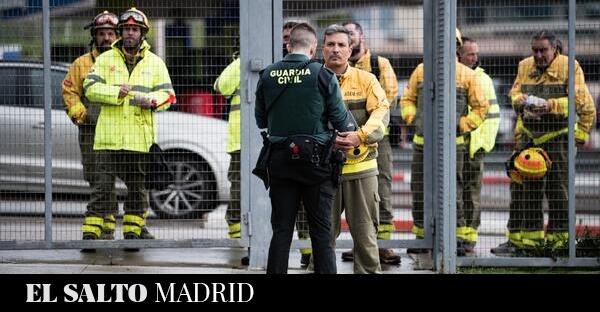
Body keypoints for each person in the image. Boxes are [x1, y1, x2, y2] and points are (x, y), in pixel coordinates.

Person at [255, 23, 354, 274]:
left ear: (288, 46)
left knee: (282, 230)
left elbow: (261, 121)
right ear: (313, 49)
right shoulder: (322, 75)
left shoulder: (267, 75)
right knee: (321, 232)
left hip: (279, 161)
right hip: (317, 164)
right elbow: (343, 122)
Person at [491, 30, 595, 256]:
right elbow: (514, 92)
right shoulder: (524, 66)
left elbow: (579, 100)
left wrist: (550, 106)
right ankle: (526, 244)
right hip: (529, 138)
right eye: (535, 50)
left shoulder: (570, 66)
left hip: (557, 139)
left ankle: (559, 246)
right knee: (524, 191)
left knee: (558, 192)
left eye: (543, 50)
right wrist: (521, 101)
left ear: (554, 49)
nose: (538, 55)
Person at [82, 7, 175, 242]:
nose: (130, 33)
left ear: (142, 34)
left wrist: (153, 101)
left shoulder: (155, 63)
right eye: (126, 29)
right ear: (121, 32)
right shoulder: (105, 60)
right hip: (107, 138)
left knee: (137, 189)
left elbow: (169, 95)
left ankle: (133, 231)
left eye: (134, 29)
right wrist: (116, 92)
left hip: (138, 138)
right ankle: (91, 233)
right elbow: (90, 89)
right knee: (101, 188)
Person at [214, 21, 301, 266]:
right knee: (241, 195)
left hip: (286, 141)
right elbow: (221, 87)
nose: (284, 43)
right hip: (245, 142)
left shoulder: (299, 66)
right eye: (280, 37)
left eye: (288, 39)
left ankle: (305, 249)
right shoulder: (247, 62)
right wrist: (249, 55)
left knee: (293, 194)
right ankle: (243, 244)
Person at [400, 29, 489, 254]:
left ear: (455, 47)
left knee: (453, 191)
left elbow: (481, 108)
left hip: (454, 144)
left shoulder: (467, 75)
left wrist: (460, 126)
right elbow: (407, 99)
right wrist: (414, 119)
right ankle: (421, 238)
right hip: (422, 143)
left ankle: (456, 238)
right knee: (419, 190)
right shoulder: (421, 71)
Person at [323, 25, 390, 274]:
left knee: (365, 237)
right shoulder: (314, 79)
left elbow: (382, 113)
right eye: (331, 44)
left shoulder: (367, 80)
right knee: (322, 236)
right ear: (323, 48)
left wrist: (358, 137)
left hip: (361, 172)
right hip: (324, 172)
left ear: (350, 50)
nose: (336, 49)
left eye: (341, 45)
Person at [340, 21, 400, 265]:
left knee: (380, 188)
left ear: (361, 36)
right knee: (346, 195)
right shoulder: (337, 67)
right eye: (345, 36)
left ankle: (381, 246)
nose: (349, 40)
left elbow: (390, 99)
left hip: (376, 139)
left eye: (352, 34)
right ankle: (360, 246)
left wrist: (368, 129)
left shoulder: (378, 64)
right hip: (343, 140)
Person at [63, 11, 120, 247]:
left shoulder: (123, 62)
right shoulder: (82, 64)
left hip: (119, 129)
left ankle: (118, 224)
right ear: (94, 37)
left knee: (122, 176)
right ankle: (104, 224)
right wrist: (81, 114)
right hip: (91, 131)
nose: (106, 38)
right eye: (101, 34)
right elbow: (69, 91)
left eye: (110, 33)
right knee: (95, 177)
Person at [456, 36, 501, 255]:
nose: (475, 57)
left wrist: (481, 145)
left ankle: (468, 240)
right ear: (459, 55)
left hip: (473, 147)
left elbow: (491, 116)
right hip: (458, 145)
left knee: (470, 193)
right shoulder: (456, 76)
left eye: (476, 53)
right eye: (470, 53)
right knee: (456, 192)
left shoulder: (481, 79)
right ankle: (456, 237)